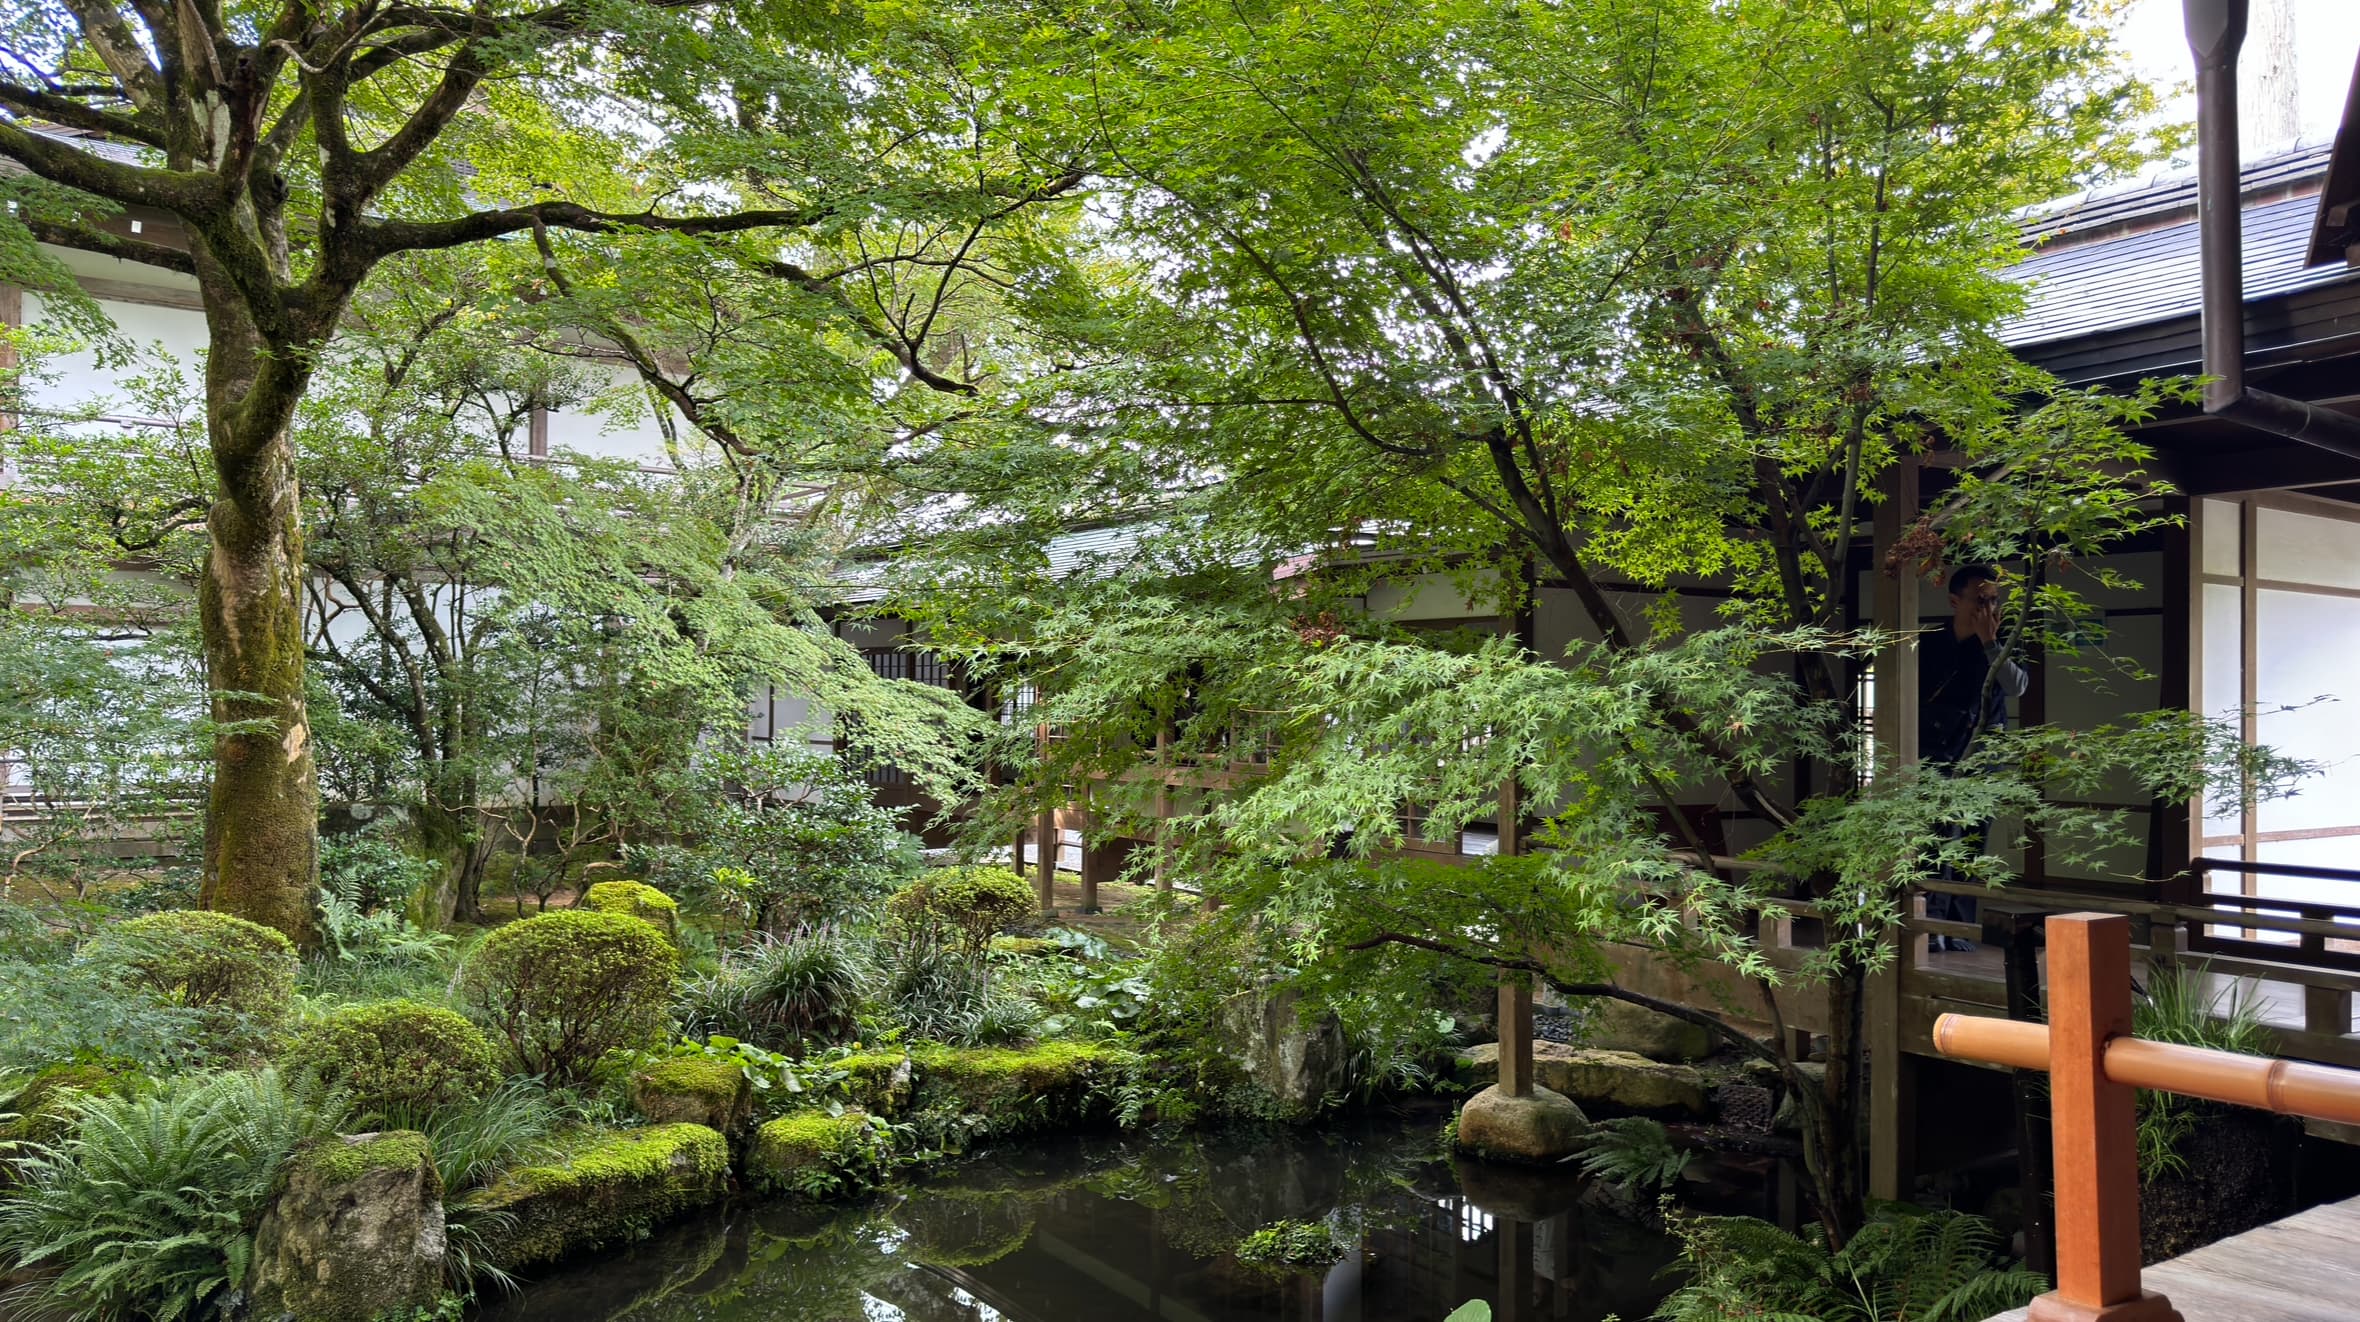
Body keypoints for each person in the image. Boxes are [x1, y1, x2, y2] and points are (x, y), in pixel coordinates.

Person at [1917, 564, 2029, 954]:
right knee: (1933, 843)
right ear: (1954, 601)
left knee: (1972, 845)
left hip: (1983, 759)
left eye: (1995, 599)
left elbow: (2016, 687)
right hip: (1935, 755)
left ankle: (1960, 928)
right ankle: (1930, 926)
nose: (1990, 606)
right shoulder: (1930, 643)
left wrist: (1990, 644)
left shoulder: (2003, 641)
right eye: (1981, 599)